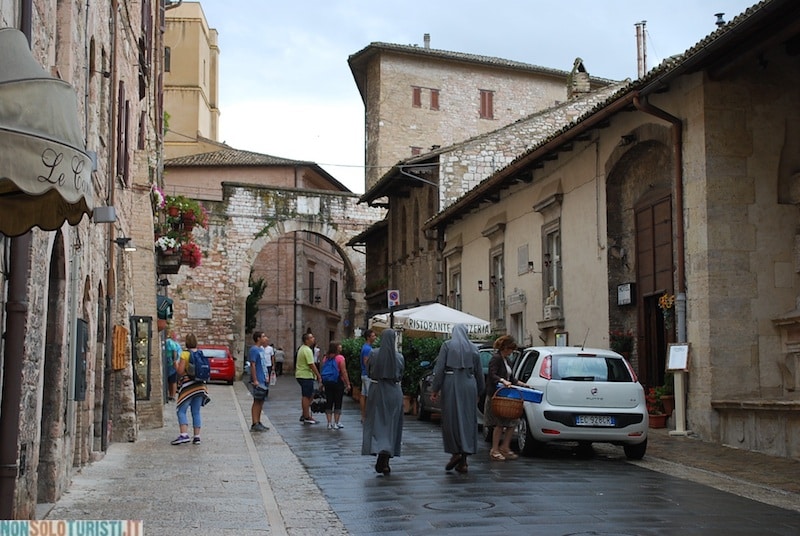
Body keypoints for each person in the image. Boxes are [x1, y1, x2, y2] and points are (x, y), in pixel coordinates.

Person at [430, 324, 485, 473]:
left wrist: (435, 389)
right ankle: (464, 460)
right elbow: (479, 372)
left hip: (451, 383)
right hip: (469, 384)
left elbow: (439, 368)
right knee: (468, 420)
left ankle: (455, 453)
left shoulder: (447, 346)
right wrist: (480, 391)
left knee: (451, 419)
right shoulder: (473, 348)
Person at [362, 329, 404, 475]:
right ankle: (386, 455)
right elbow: (401, 374)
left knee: (377, 422)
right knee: (391, 424)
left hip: (377, 391)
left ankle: (379, 450)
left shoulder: (374, 353)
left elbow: (368, 370)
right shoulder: (399, 357)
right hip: (394, 392)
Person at [484, 335, 525, 461]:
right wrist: (502, 380)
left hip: (505, 396)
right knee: (499, 423)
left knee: (513, 422)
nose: (512, 352)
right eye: (511, 349)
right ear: (505, 348)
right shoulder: (496, 359)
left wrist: (520, 383)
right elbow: (492, 374)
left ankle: (505, 447)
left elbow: (511, 377)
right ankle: (495, 449)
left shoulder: (507, 360)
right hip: (496, 396)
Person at [171, 333, 210, 445]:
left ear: (187, 342)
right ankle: (197, 437)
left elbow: (180, 371)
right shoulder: (200, 353)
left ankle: (184, 435)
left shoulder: (185, 354)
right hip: (200, 386)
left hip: (188, 385)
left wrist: (175, 364)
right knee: (196, 411)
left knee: (181, 410)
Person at [321, 342, 351, 430]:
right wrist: (347, 384)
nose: (341, 347)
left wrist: (322, 383)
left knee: (329, 401)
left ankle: (329, 423)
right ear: (336, 348)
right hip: (338, 381)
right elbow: (344, 371)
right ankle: (336, 423)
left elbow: (324, 370)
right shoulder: (340, 358)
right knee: (338, 401)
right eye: (339, 345)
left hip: (327, 382)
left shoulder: (326, 358)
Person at [295, 332, 322, 424]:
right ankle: (306, 416)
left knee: (310, 395)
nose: (313, 339)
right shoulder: (307, 350)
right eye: (311, 337)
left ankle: (305, 414)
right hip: (305, 375)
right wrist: (318, 375)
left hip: (302, 375)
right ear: (307, 340)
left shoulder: (302, 348)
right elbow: (311, 364)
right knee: (306, 396)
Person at [248, 331, 271, 432]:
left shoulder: (261, 350)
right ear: (258, 338)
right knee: (257, 401)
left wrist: (266, 376)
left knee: (261, 401)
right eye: (263, 336)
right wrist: (255, 379)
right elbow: (252, 365)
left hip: (263, 379)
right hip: (258, 379)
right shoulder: (254, 350)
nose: (265, 338)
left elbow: (263, 364)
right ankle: (254, 422)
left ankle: (258, 421)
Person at [359, 329, 377, 423]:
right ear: (368, 337)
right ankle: (367, 416)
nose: (375, 337)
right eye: (373, 336)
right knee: (369, 396)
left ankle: (363, 416)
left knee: (364, 395)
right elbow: (366, 362)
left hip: (364, 374)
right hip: (367, 375)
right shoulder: (367, 349)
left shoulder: (366, 347)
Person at [164, 331, 180, 401]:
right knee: (172, 380)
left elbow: (175, 352)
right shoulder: (170, 342)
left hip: (171, 364)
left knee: (172, 380)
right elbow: (175, 352)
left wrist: (174, 361)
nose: (175, 337)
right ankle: (171, 395)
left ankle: (172, 395)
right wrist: (175, 361)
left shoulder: (171, 342)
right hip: (171, 364)